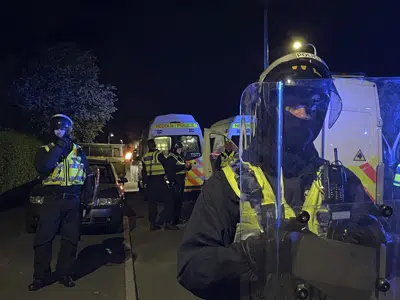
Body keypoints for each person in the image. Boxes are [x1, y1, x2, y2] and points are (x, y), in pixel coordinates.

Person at [177, 53, 395, 299]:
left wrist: (380, 242)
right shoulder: (231, 184)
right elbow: (192, 267)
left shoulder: (339, 180)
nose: (305, 115)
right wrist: (257, 254)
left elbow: (383, 264)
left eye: (314, 106)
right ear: (269, 110)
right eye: (293, 104)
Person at [29, 114, 93, 291]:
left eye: (63, 128)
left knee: (70, 240)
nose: (60, 131)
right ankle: (40, 276)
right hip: (52, 199)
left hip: (73, 200)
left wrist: (87, 199)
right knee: (43, 239)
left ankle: (65, 273)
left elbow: (87, 174)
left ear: (68, 129)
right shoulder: (45, 149)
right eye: (56, 128)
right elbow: (44, 167)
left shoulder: (78, 150)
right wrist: (58, 147)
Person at [141, 139, 178, 230]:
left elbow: (144, 172)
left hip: (150, 182)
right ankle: (168, 223)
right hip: (160, 181)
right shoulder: (158, 154)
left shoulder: (145, 157)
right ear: (155, 145)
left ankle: (153, 224)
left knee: (152, 204)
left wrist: (145, 183)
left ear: (148, 146)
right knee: (169, 201)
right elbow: (167, 166)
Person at [165, 142, 192, 225]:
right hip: (175, 182)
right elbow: (173, 169)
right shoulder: (171, 158)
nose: (181, 150)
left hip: (180, 181)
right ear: (176, 149)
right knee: (175, 201)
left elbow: (184, 166)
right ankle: (174, 220)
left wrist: (188, 166)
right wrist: (184, 166)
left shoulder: (179, 157)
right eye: (180, 148)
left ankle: (178, 218)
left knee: (179, 201)